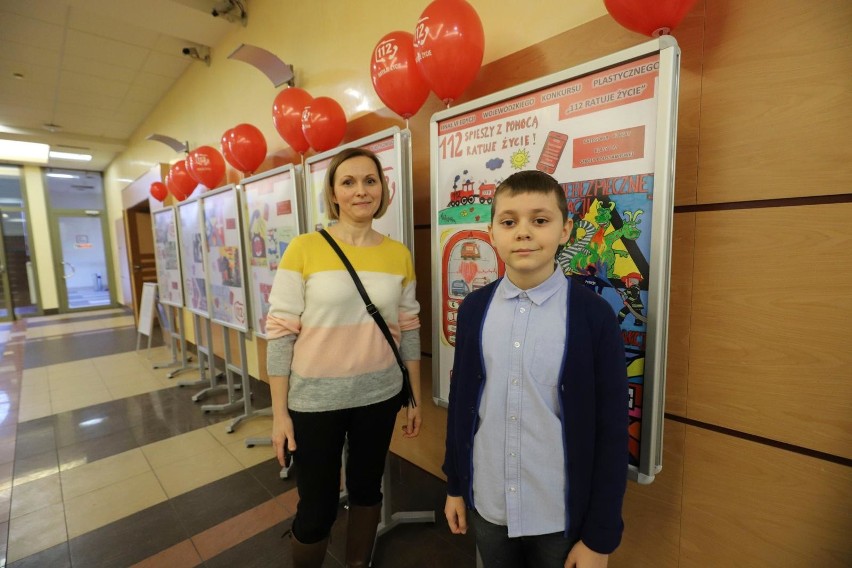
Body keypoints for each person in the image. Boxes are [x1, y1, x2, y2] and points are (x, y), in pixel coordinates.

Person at [443, 170, 628, 568]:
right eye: (509, 222)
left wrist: (599, 538)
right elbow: (461, 405)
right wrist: (455, 485)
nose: (523, 232)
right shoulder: (474, 310)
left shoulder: (594, 316)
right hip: (489, 502)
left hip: (558, 516)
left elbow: (612, 431)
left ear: (565, 230)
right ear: (492, 232)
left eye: (540, 220)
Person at [265, 147, 422, 568]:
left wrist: (414, 396)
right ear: (333, 193)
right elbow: (280, 333)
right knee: (316, 506)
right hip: (314, 401)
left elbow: (407, 327)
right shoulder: (303, 248)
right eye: (348, 182)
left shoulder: (398, 254)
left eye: (370, 181)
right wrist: (279, 415)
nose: (360, 191)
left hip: (380, 394)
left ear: (382, 188)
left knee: (368, 489)